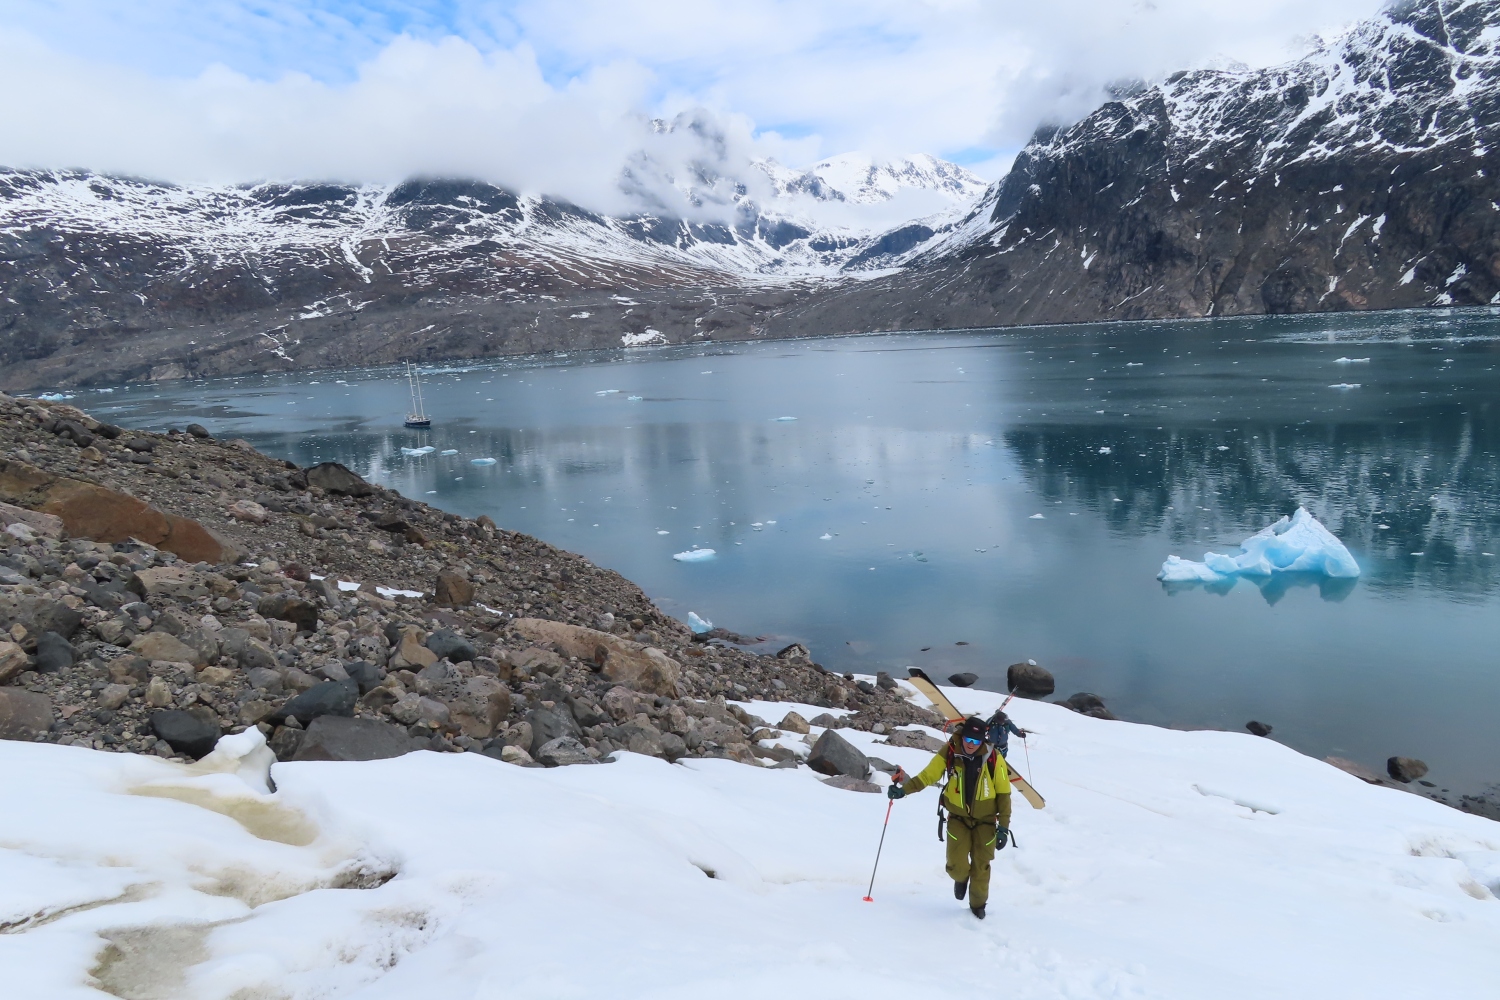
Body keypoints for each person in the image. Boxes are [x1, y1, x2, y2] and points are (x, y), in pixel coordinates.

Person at [887, 715, 1012, 919]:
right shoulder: (950, 751)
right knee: (956, 865)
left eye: (976, 741)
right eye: (968, 740)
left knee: (982, 866)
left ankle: (977, 906)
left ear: (982, 741)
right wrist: (904, 791)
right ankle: (960, 879)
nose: (971, 745)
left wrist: (1003, 828)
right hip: (958, 819)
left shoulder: (993, 758)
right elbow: (928, 775)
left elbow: (1004, 794)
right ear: (962, 736)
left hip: (986, 822)